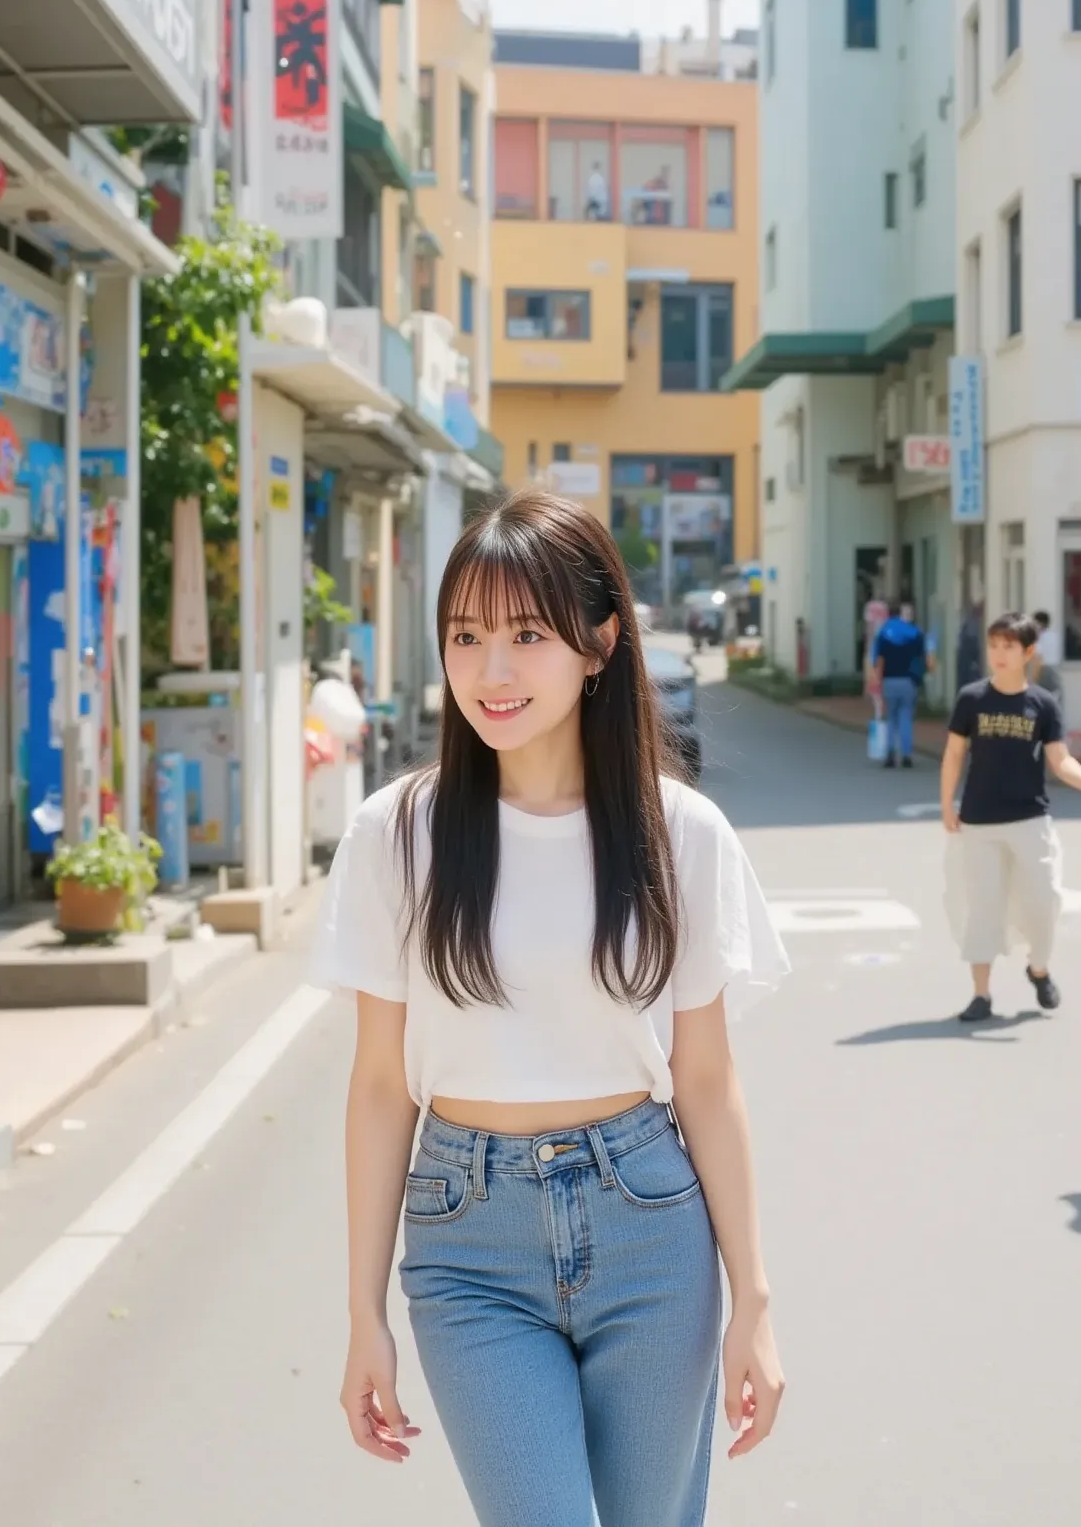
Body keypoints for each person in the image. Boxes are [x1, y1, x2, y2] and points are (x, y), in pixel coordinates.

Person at [312, 491, 790, 1526]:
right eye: (467, 635)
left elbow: (707, 1080)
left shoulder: (683, 835)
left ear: (599, 644)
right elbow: (382, 1085)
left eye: (528, 635)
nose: (491, 670)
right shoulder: (397, 833)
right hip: (467, 1242)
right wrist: (362, 1313)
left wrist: (753, 1297)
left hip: (650, 1231)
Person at [940, 611, 1081, 1024]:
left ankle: (1038, 968)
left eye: (1009, 647)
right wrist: (948, 804)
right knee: (982, 908)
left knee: (1044, 903)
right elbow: (953, 755)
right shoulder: (971, 699)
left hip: (1029, 820)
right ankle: (981, 995)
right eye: (994, 645)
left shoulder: (1042, 704)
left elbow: (1060, 760)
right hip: (979, 823)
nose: (999, 654)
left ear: (1028, 652)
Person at [872, 601, 930, 769]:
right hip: (909, 682)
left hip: (889, 681)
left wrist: (877, 680)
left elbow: (878, 660)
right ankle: (906, 755)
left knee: (891, 718)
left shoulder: (883, 632)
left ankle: (890, 754)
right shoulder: (916, 633)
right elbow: (923, 657)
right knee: (906, 718)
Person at [1030, 609, 1064, 712]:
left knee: (1040, 703)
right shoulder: (1055, 636)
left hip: (1044, 672)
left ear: (1038, 624)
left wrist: (1033, 680)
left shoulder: (1039, 639)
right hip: (1056, 672)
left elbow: (1038, 660)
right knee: (1056, 702)